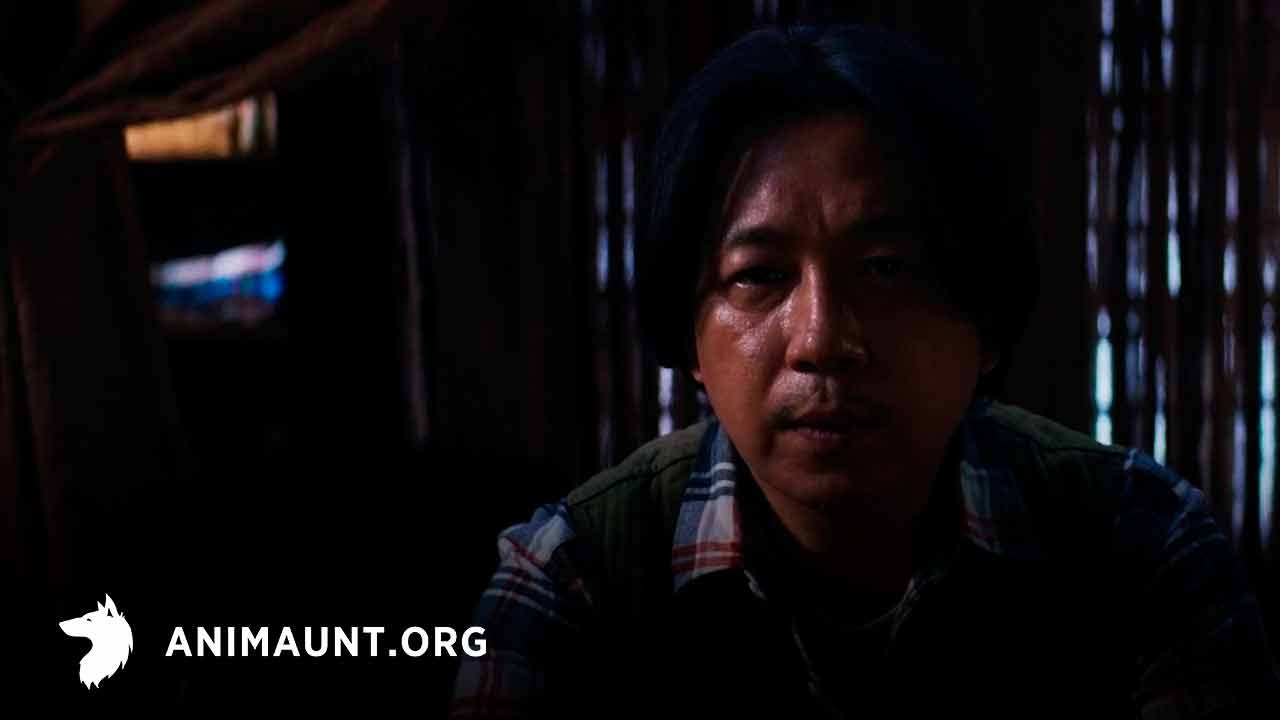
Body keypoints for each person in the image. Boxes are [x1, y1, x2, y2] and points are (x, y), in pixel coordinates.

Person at [449, 25, 1279, 719]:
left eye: (885, 269)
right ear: (690, 338)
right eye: (758, 275)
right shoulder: (575, 578)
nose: (821, 339)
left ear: (986, 322)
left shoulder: (1141, 543)